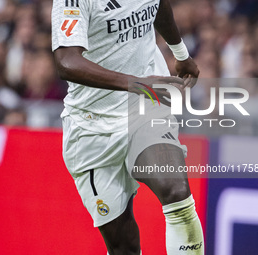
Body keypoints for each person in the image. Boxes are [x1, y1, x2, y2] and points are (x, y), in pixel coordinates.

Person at [52, 0, 204, 254]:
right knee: (124, 246)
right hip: (91, 127)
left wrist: (181, 53)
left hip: (143, 107)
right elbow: (66, 61)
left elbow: (158, 4)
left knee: (175, 190)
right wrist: (138, 83)